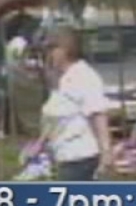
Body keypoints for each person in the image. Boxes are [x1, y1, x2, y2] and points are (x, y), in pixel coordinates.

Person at [39, 27, 114, 181]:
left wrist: (106, 152)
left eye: (51, 49)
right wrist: (39, 145)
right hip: (64, 157)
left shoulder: (84, 76)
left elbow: (98, 114)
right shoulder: (63, 79)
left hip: (81, 158)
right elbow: (55, 118)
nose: (48, 55)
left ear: (65, 50)